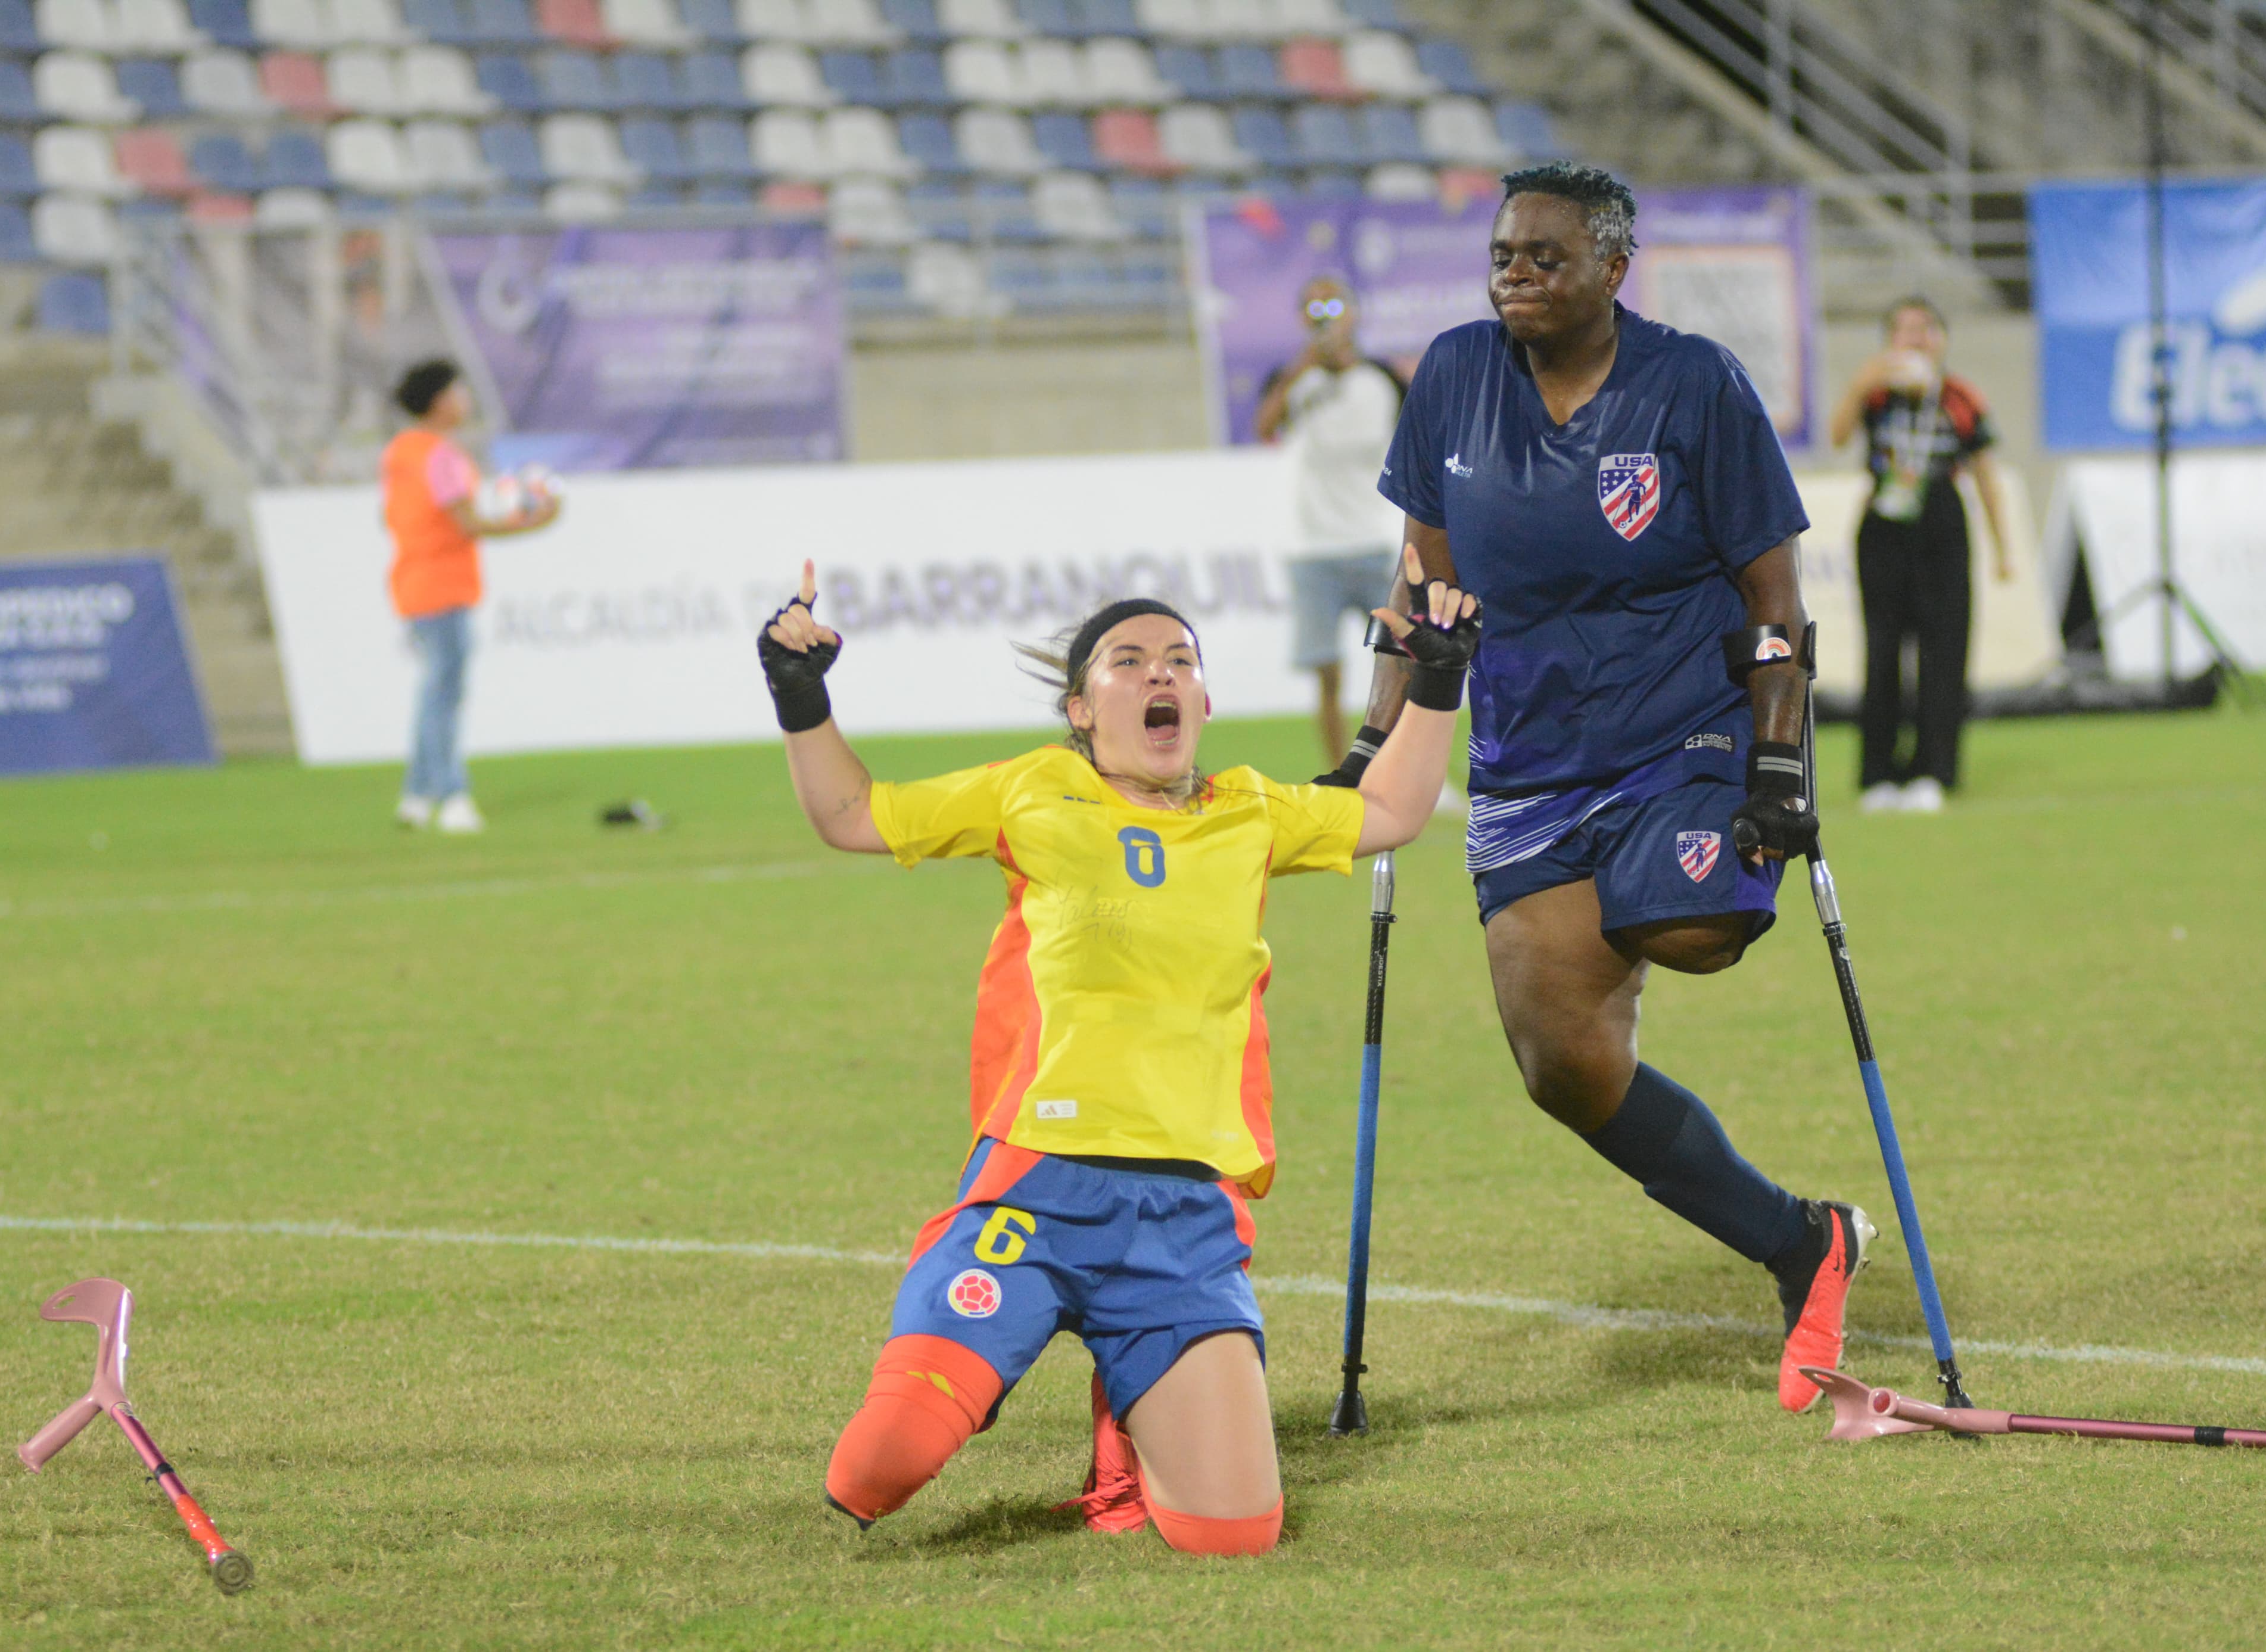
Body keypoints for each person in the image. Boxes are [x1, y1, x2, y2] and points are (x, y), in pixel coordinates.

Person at [760, 550, 1480, 1554]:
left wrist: (1439, 680)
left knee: (1235, 1534)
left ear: (1205, 698)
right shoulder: (1034, 791)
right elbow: (850, 816)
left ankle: (1123, 1439)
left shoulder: (1251, 810)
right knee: (877, 1466)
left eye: (1179, 659)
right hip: (1040, 1189)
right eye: (1128, 660)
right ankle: (983, 1343)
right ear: (1080, 710)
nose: (1158, 674)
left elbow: (1396, 809)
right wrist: (801, 693)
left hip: (1185, 1218)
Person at [1321, 161, 1872, 1414]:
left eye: (1544, 257)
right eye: (1504, 255)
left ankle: (1661, 881)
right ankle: (1804, 1243)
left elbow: (1773, 602)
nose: (1515, 275)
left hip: (1682, 730)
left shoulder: (1694, 387)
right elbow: (1421, 586)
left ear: (1612, 268)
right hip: (1525, 756)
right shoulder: (1453, 376)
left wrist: (1780, 764)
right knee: (1559, 1063)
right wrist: (1373, 740)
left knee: (1689, 925)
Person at [1827, 297, 2013, 814]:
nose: (1915, 338)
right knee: (1883, 651)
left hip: (1941, 523)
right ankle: (1878, 774)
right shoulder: (1876, 391)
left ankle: (1934, 770)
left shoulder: (1960, 396)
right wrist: (1859, 385)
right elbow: (1837, 436)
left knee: (1943, 652)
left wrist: (2003, 549)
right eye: (1904, 330)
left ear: (1942, 338)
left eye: (1925, 329)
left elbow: (1986, 474)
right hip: (1884, 523)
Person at [380, 359, 559, 833]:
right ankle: (452, 795)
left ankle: (416, 797)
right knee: (444, 694)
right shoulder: (441, 455)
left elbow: (392, 517)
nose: (465, 401)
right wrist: (533, 520)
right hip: (443, 584)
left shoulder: (401, 451)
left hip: (412, 579)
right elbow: (469, 523)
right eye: (458, 392)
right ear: (439, 401)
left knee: (432, 691)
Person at [1252, 276, 1411, 774]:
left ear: (1353, 313)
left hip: (1372, 541)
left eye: (1333, 304)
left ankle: (1401, 765)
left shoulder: (1381, 378)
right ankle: (1340, 773)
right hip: (1314, 549)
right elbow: (1263, 428)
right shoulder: (1293, 380)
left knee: (1401, 662)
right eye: (1313, 306)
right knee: (1328, 674)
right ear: (1302, 316)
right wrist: (1299, 371)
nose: (1324, 316)